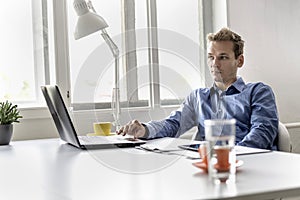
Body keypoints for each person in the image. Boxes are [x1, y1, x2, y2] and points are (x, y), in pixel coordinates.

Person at [117, 27, 279, 150]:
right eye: (211, 57)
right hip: (211, 166)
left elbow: (262, 133)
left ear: (240, 61)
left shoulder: (258, 92)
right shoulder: (199, 97)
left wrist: (230, 155)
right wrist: (144, 130)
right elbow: (173, 125)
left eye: (223, 57)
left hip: (249, 165)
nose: (215, 64)